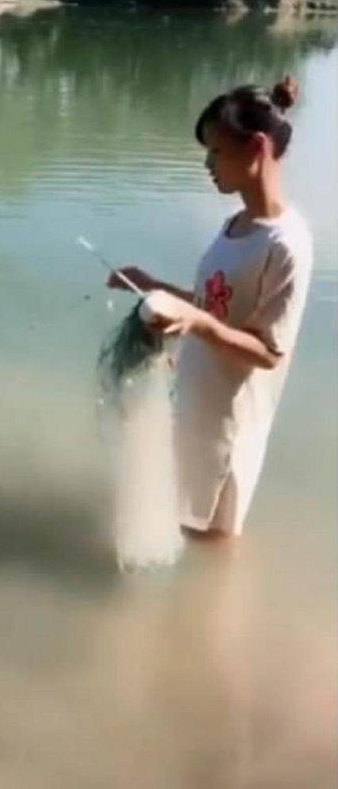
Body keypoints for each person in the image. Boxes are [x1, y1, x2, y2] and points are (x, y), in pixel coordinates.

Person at [107, 76, 313, 538]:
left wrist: (196, 322)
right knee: (183, 529)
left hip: (229, 430)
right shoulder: (236, 225)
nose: (207, 164)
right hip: (196, 409)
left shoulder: (287, 245)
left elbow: (269, 352)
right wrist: (153, 287)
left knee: (215, 545)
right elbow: (213, 307)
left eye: (216, 152)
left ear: (256, 148)